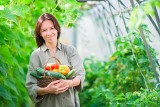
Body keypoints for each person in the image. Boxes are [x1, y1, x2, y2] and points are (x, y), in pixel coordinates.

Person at [25, 13, 85, 107]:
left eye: (52, 28)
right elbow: (30, 87)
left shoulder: (70, 51)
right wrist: (47, 90)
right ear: (40, 33)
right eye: (44, 30)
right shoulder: (36, 55)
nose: (49, 33)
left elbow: (80, 75)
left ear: (57, 29)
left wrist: (69, 82)